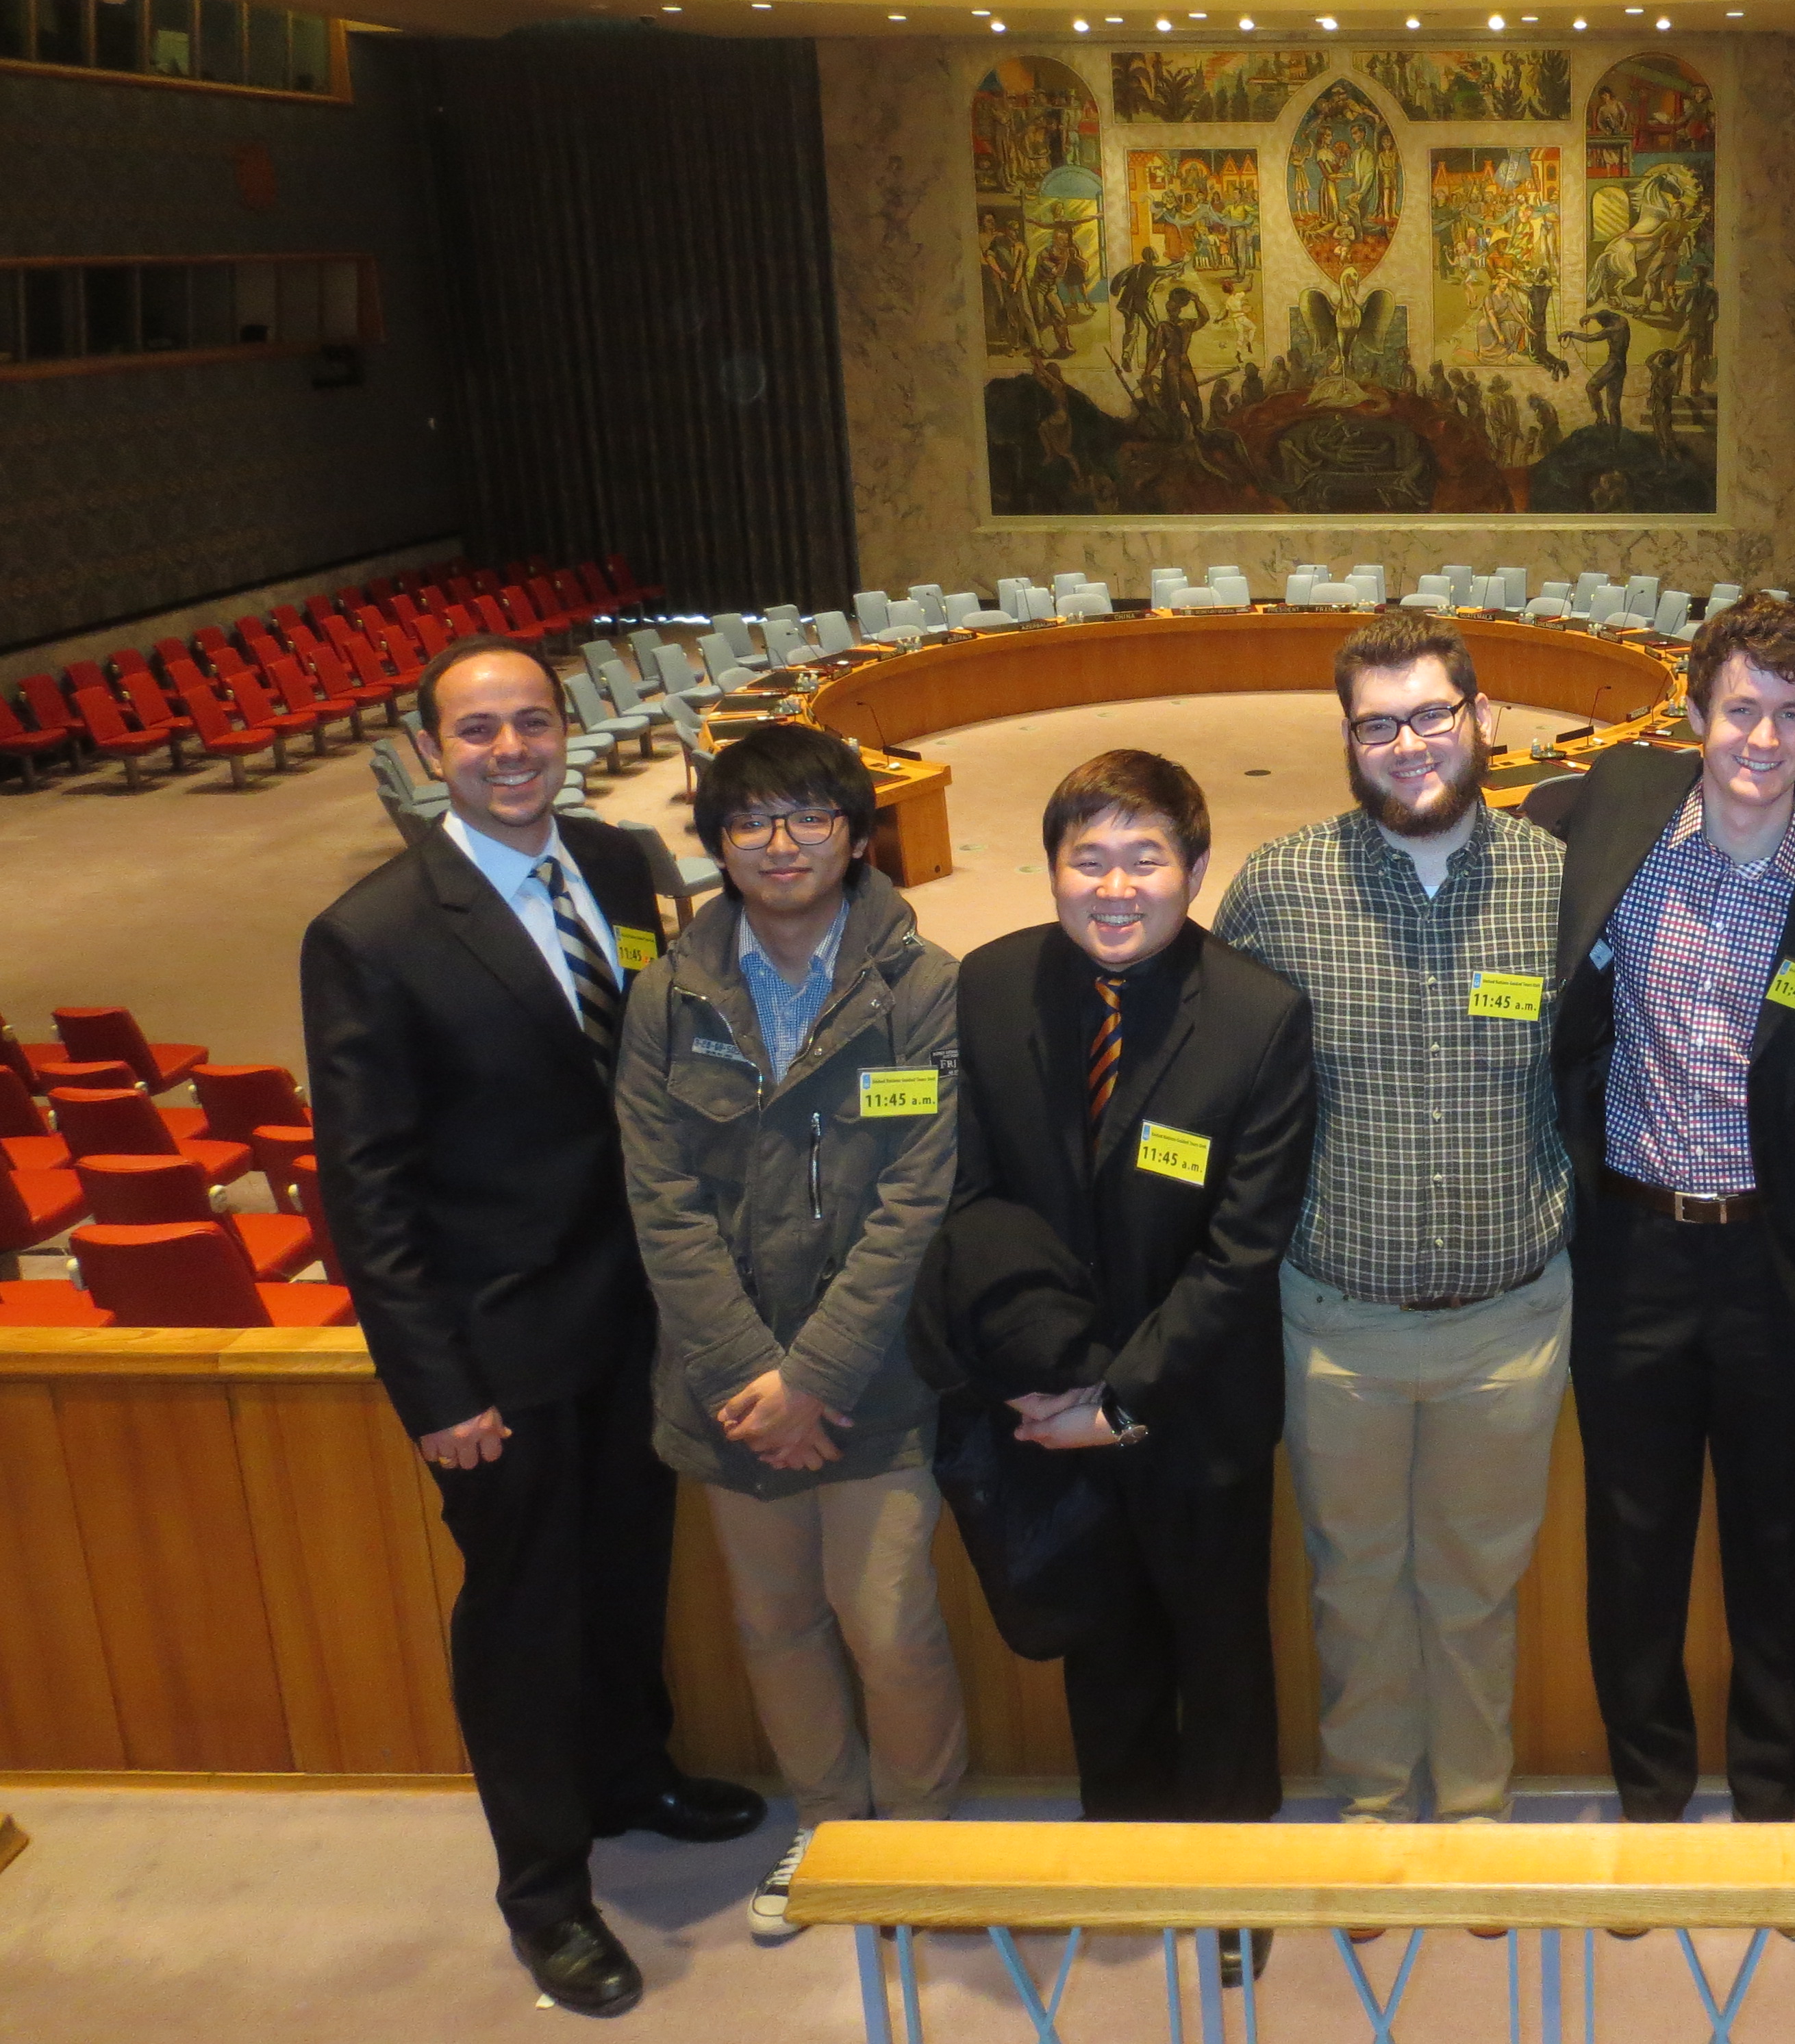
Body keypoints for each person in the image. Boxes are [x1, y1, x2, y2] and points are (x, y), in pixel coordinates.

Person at [301, 634, 764, 2019]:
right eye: (479, 731)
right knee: (523, 1614)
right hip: (500, 1350)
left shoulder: (622, 869)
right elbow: (366, 1193)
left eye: (532, 724)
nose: (512, 752)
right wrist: (436, 1387)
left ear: (566, 731)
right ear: (436, 751)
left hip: (637, 1316)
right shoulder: (372, 936)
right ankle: (546, 1888)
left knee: (628, 1569)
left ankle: (633, 1774)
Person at [909, 752, 1314, 1982]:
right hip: (1045, 1391)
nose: (1117, 885)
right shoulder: (987, 987)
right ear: (1051, 869)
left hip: (1192, 1409)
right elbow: (967, 1193)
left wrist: (1123, 1400)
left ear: (1196, 870)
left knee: (1220, 1650)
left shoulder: (1258, 1013)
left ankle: (1237, 1878)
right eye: (1089, 857)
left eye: (1147, 858)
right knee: (1104, 1643)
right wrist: (1054, 1384)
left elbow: (1245, 1250)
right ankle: (1125, 1852)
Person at [1551, 593, 1795, 1827]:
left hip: (1776, 1262)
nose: (1764, 740)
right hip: (1635, 1251)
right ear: (1699, 710)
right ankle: (1650, 1796)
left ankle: (1770, 1799)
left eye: (1794, 716)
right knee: (1633, 1547)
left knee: (1779, 1551)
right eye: (1744, 710)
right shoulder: (1612, 812)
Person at [1213, 616, 1573, 1830]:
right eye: (1378, 725)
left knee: (1477, 1588)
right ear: (1348, 739)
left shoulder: (1561, 881)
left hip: (1509, 1324)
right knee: (1354, 1586)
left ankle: (1473, 1813)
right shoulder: (1278, 888)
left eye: (1431, 715)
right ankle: (1372, 1809)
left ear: (1480, 715)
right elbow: (1214, 1081)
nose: (1409, 745)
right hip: (1334, 1323)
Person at [614, 724, 970, 1943]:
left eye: (811, 816)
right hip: (726, 1394)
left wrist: (813, 1377)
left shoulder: (922, 985)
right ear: (717, 842)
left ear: (854, 830)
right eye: (752, 821)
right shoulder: (668, 997)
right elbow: (660, 1201)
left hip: (871, 1391)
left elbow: (919, 1196)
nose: (782, 843)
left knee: (892, 1629)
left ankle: (915, 1846)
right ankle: (832, 1826)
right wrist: (756, 1379)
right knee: (775, 1628)